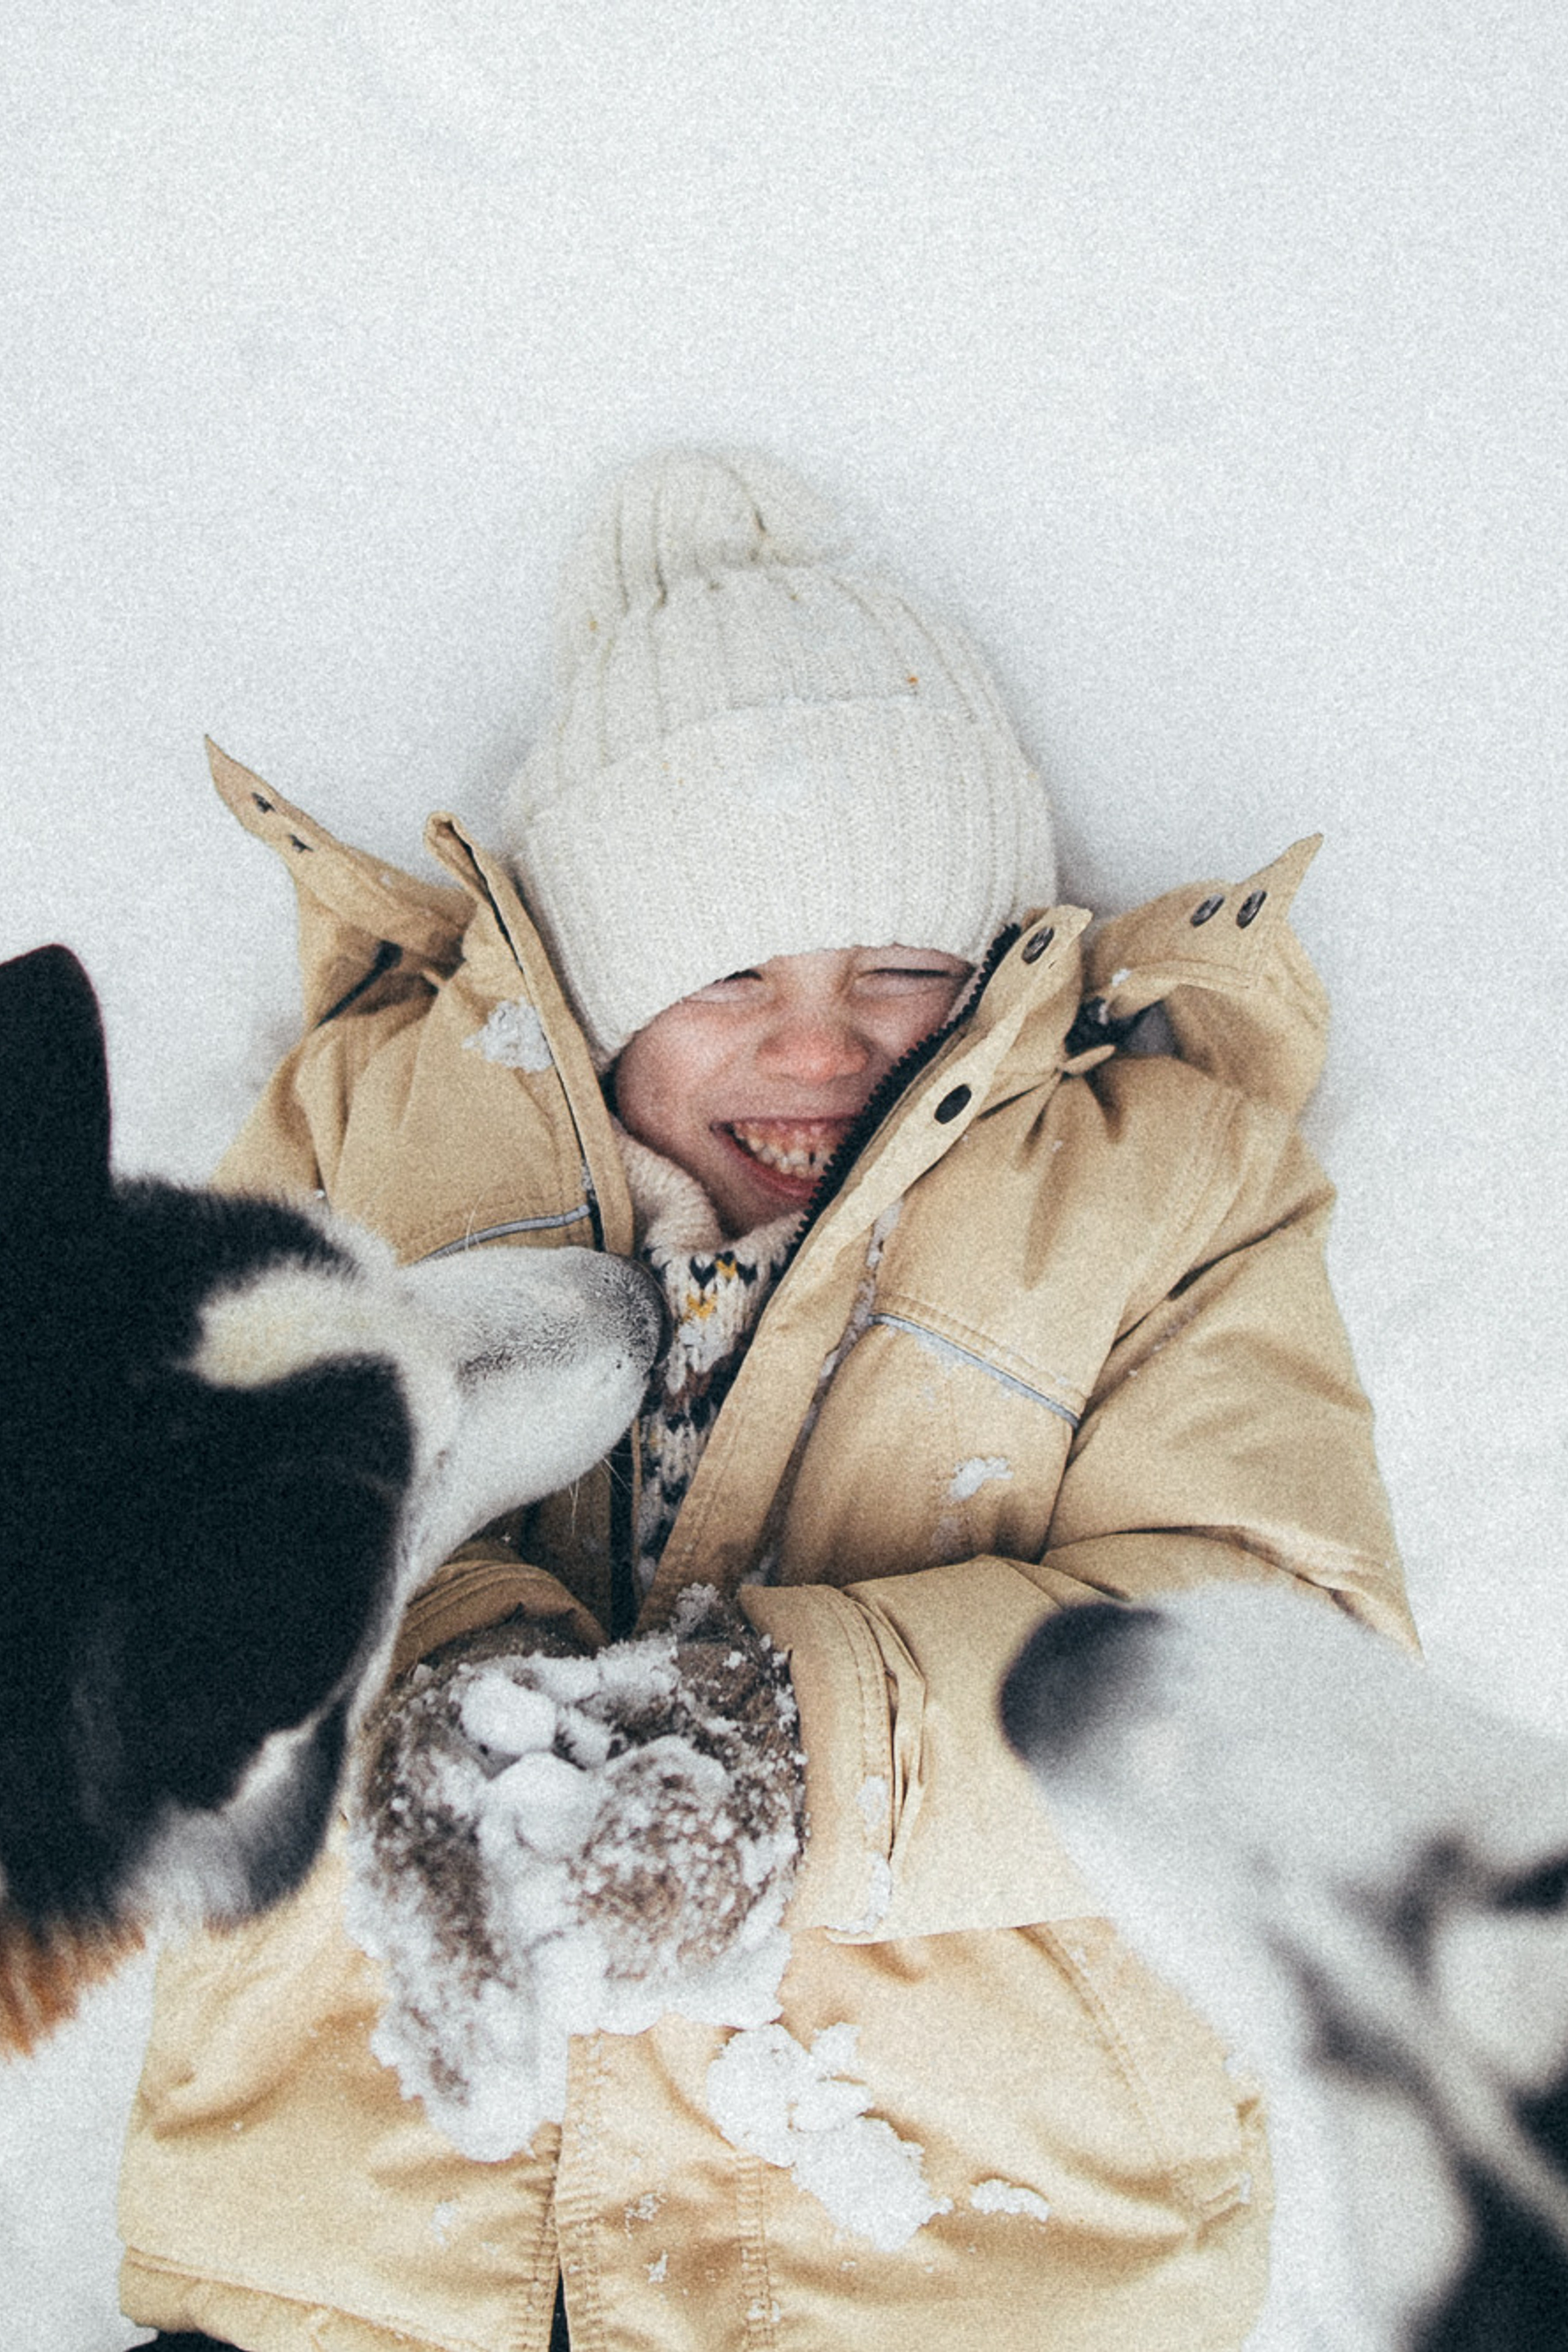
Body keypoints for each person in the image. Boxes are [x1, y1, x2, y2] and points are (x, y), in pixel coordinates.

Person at [118, 448, 1414, 2352]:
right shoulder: (381, 1125)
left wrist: (786, 1762)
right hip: (346, 2258)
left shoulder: (1161, 1195)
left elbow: (1280, 1666)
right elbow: (182, 1503)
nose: (820, 1043)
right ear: (605, 976)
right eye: (728, 972)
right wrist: (459, 1673)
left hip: (948, 2268)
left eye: (901, 967)